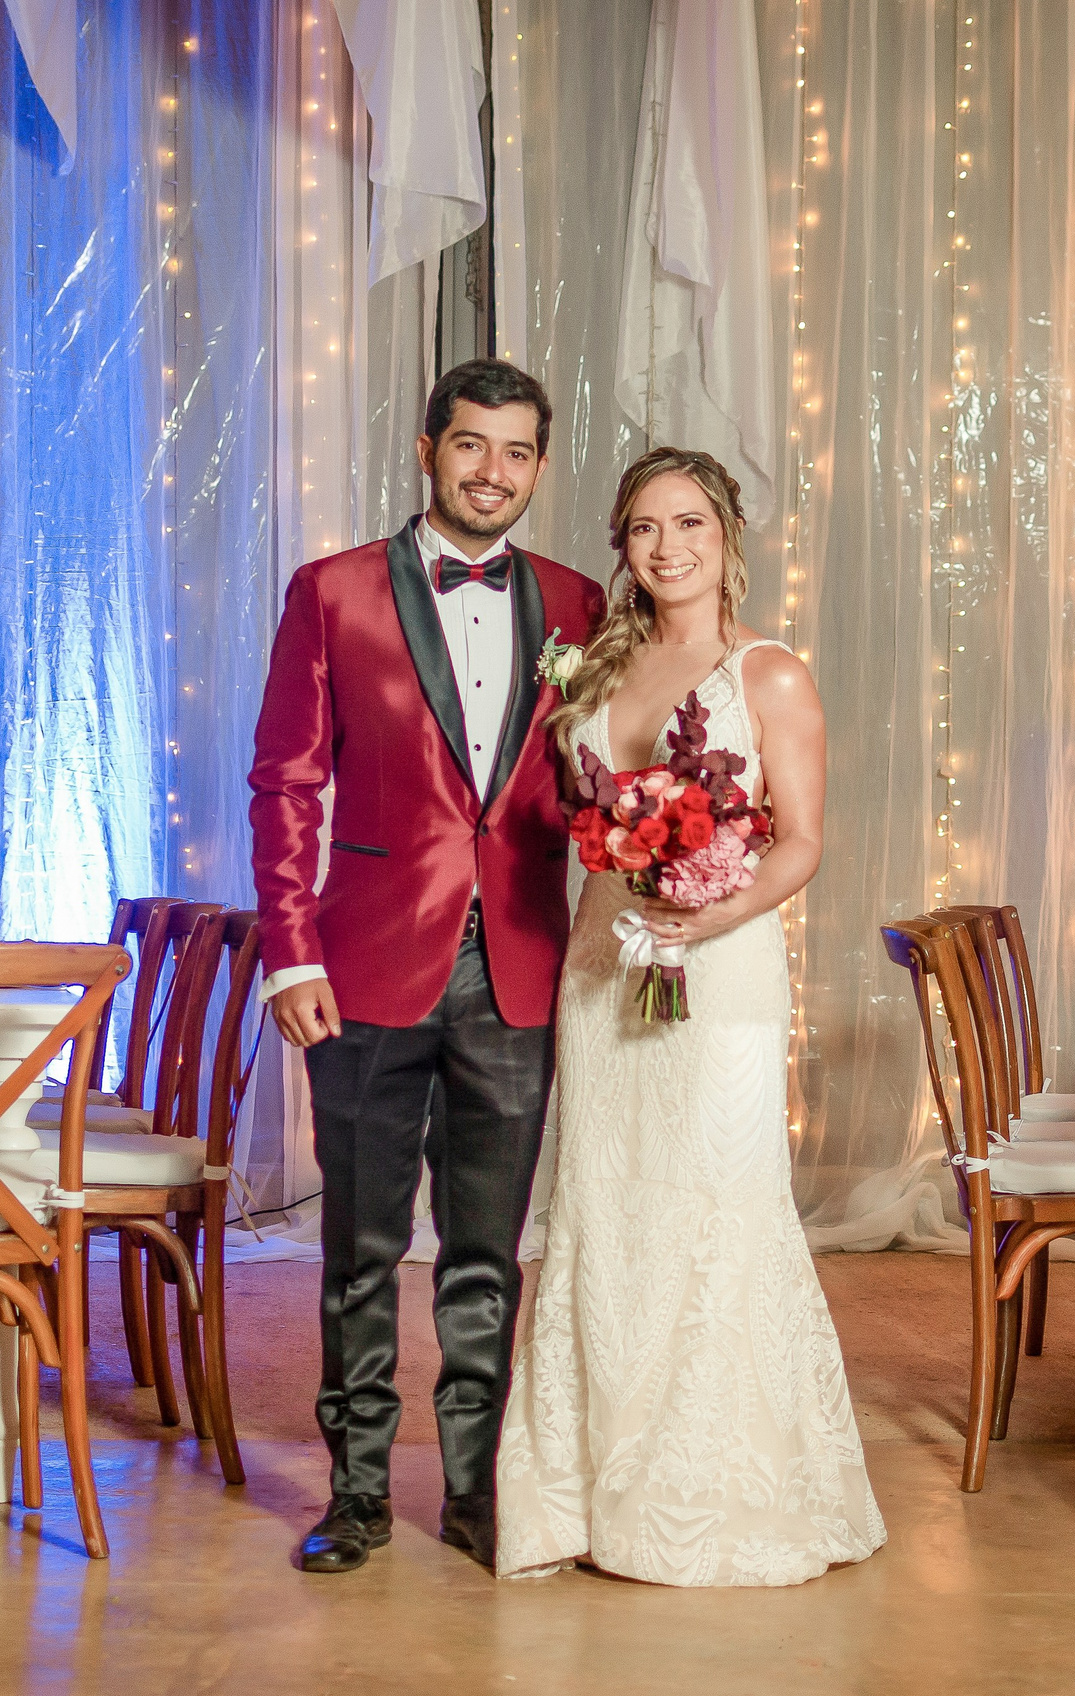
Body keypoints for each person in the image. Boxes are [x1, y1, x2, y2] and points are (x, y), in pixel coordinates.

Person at [492, 446, 884, 1587]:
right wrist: (634, 887)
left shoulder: (768, 674)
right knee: (604, 1208)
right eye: (644, 530)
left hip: (717, 975)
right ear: (622, 546)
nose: (667, 548)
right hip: (604, 967)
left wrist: (706, 919)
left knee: (714, 1204)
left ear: (726, 537)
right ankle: (583, 1487)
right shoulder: (595, 664)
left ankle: (709, 1492)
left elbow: (801, 839)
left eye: (688, 525)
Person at [248, 359, 606, 1573]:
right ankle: (352, 1494)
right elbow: (286, 783)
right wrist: (288, 952)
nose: (490, 471)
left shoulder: (577, 603)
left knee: (487, 1250)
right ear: (426, 448)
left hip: (517, 968)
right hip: (359, 970)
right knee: (358, 1246)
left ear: (538, 467)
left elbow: (589, 781)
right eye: (469, 446)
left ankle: (474, 1492)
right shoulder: (332, 592)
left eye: (514, 452)